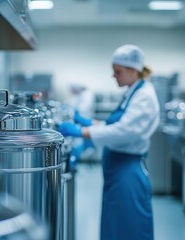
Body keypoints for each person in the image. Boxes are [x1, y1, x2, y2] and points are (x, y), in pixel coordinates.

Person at [58, 44, 160, 240]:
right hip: (117, 171)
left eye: (118, 72)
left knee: (129, 228)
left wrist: (81, 131)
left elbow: (124, 131)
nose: (114, 76)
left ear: (134, 70)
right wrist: (87, 122)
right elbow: (116, 124)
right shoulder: (132, 92)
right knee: (115, 226)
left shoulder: (144, 96)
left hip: (127, 172)